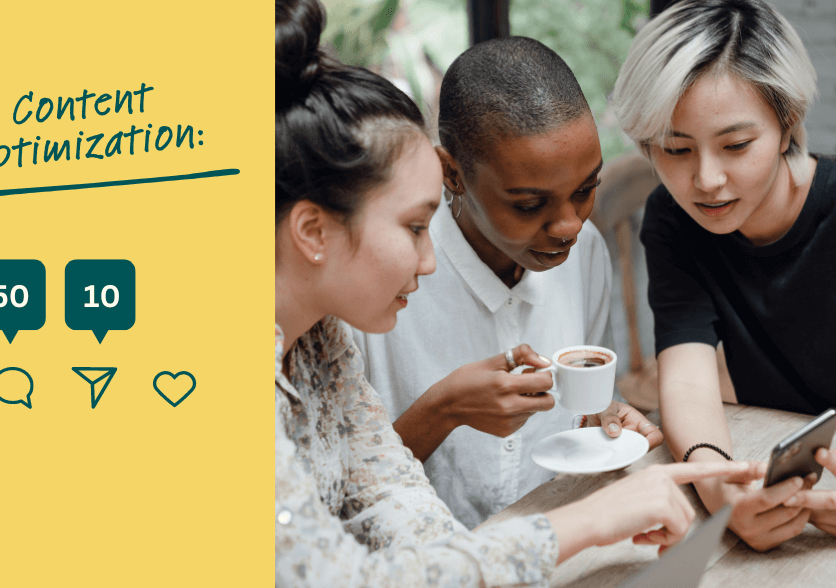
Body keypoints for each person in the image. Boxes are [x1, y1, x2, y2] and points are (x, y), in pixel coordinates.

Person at [274, 0, 759, 585]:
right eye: (414, 227)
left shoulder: (320, 345)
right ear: (311, 231)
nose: (429, 262)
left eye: (586, 191)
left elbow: (389, 504)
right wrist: (589, 521)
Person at [608, 0, 836, 551]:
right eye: (675, 150)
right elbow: (688, 381)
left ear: (788, 122)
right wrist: (720, 491)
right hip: (793, 490)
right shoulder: (675, 221)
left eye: (736, 145)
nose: (707, 180)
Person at [353, 36, 663, 529]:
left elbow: (585, 416)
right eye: (528, 205)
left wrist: (604, 419)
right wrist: (442, 410)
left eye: (585, 191)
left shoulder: (586, 256)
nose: (569, 226)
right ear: (450, 172)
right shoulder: (377, 283)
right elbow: (336, 497)